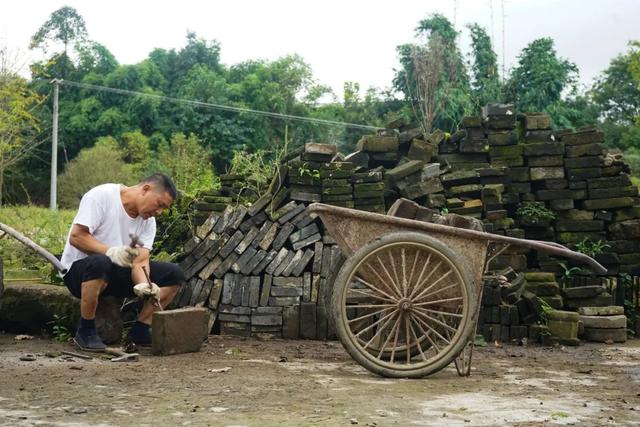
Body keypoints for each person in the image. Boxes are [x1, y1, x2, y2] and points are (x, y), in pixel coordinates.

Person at [60, 173, 185, 351]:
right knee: (101, 262)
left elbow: (140, 261)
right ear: (145, 189)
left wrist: (145, 286)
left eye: (163, 209)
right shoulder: (101, 196)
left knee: (174, 274)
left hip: (116, 275)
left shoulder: (148, 221)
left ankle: (140, 330)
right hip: (80, 272)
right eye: (159, 205)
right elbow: (77, 237)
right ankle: (85, 331)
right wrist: (110, 252)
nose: (159, 212)